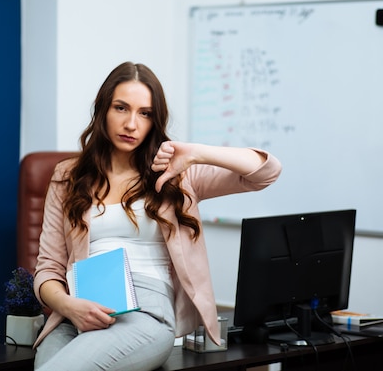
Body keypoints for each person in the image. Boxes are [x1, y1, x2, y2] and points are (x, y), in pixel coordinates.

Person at [32, 61, 282, 370]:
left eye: (145, 113)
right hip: (77, 312)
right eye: (121, 108)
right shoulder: (67, 176)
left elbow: (266, 172)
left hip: (145, 312)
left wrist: (196, 153)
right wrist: (69, 306)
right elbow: (48, 269)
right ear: (102, 110)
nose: (131, 124)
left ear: (155, 120)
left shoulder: (177, 173)